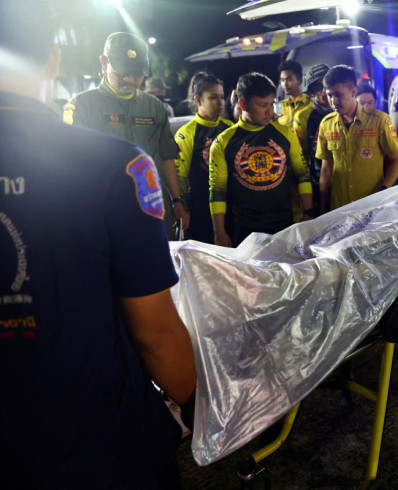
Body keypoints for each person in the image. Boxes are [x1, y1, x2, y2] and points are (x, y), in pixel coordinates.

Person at [0, 1, 197, 487]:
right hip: (92, 441)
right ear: (54, 59)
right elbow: (154, 331)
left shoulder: (145, 124)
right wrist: (190, 400)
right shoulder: (114, 167)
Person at [62, 32, 186, 239]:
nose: (130, 78)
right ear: (104, 63)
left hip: (152, 208)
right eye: (123, 72)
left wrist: (177, 200)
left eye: (136, 73)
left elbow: (166, 157)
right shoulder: (82, 106)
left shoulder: (154, 107)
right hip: (105, 210)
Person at [209, 72, 314, 247]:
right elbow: (217, 190)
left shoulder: (286, 134)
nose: (270, 111)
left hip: (285, 225)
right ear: (243, 104)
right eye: (262, 105)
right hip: (244, 229)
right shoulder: (223, 142)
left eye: (272, 104)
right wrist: (219, 232)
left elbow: (302, 174)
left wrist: (308, 212)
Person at [316, 65, 398, 214]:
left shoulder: (379, 121)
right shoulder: (326, 124)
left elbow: (397, 161)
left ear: (353, 91)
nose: (333, 101)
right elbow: (326, 170)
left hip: (371, 208)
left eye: (338, 95)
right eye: (330, 95)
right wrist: (322, 207)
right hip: (339, 209)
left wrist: (384, 189)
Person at [175, 71, 233, 243]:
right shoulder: (186, 133)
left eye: (222, 97)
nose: (221, 103)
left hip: (232, 207)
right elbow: (180, 177)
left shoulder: (230, 127)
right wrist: (183, 209)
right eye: (213, 97)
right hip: (201, 209)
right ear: (198, 100)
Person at [293, 63, 331, 215]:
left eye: (324, 85)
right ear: (311, 92)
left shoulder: (345, 111)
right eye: (316, 87)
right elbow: (300, 159)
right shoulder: (302, 117)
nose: (322, 91)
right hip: (316, 187)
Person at [277, 60, 311, 127]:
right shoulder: (278, 106)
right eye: (282, 80)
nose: (285, 84)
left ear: (300, 80)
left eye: (289, 79)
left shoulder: (311, 103)